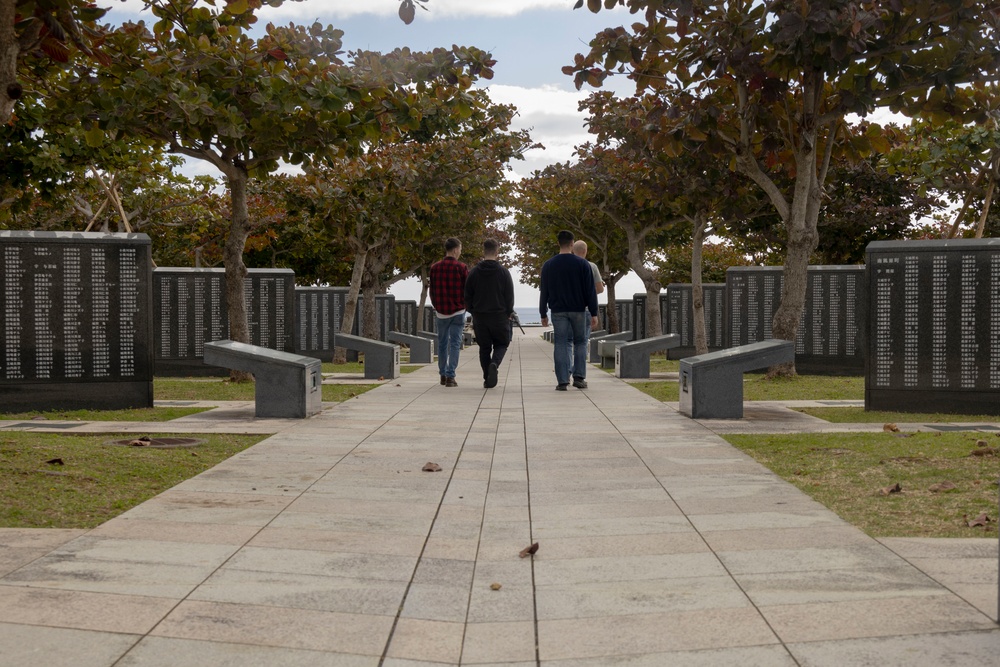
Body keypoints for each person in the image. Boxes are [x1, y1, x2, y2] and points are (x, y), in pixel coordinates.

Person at [539, 230, 599, 391]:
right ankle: (579, 377)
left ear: (558, 243)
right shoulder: (583, 264)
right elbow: (590, 291)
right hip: (579, 310)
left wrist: (542, 313)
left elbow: (544, 290)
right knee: (580, 342)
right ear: (572, 244)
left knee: (561, 343)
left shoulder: (549, 265)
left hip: (558, 310)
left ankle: (562, 380)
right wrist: (594, 312)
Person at [464, 238, 515, 389]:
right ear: (497, 252)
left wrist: (473, 310)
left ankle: (487, 377)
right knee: (501, 343)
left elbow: (467, 295)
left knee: (484, 348)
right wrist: (508, 311)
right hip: (499, 315)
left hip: (480, 316)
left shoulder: (473, 273)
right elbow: (509, 296)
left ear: (483, 251)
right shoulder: (504, 273)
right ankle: (495, 364)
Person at [429, 237, 468, 387]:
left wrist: (436, 305)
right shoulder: (462, 267)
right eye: (460, 249)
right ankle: (451, 376)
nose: (460, 252)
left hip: (441, 312)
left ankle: (443, 374)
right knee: (455, 343)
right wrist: (465, 305)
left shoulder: (434, 268)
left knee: (442, 344)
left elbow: (432, 290)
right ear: (455, 249)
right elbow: (467, 290)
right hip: (458, 311)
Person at [571, 240, 604, 379]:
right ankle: (578, 373)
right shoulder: (591, 266)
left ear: (573, 250)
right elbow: (599, 289)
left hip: (567, 307)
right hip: (585, 309)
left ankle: (566, 371)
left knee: (566, 342)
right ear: (585, 251)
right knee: (582, 342)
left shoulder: (566, 265)